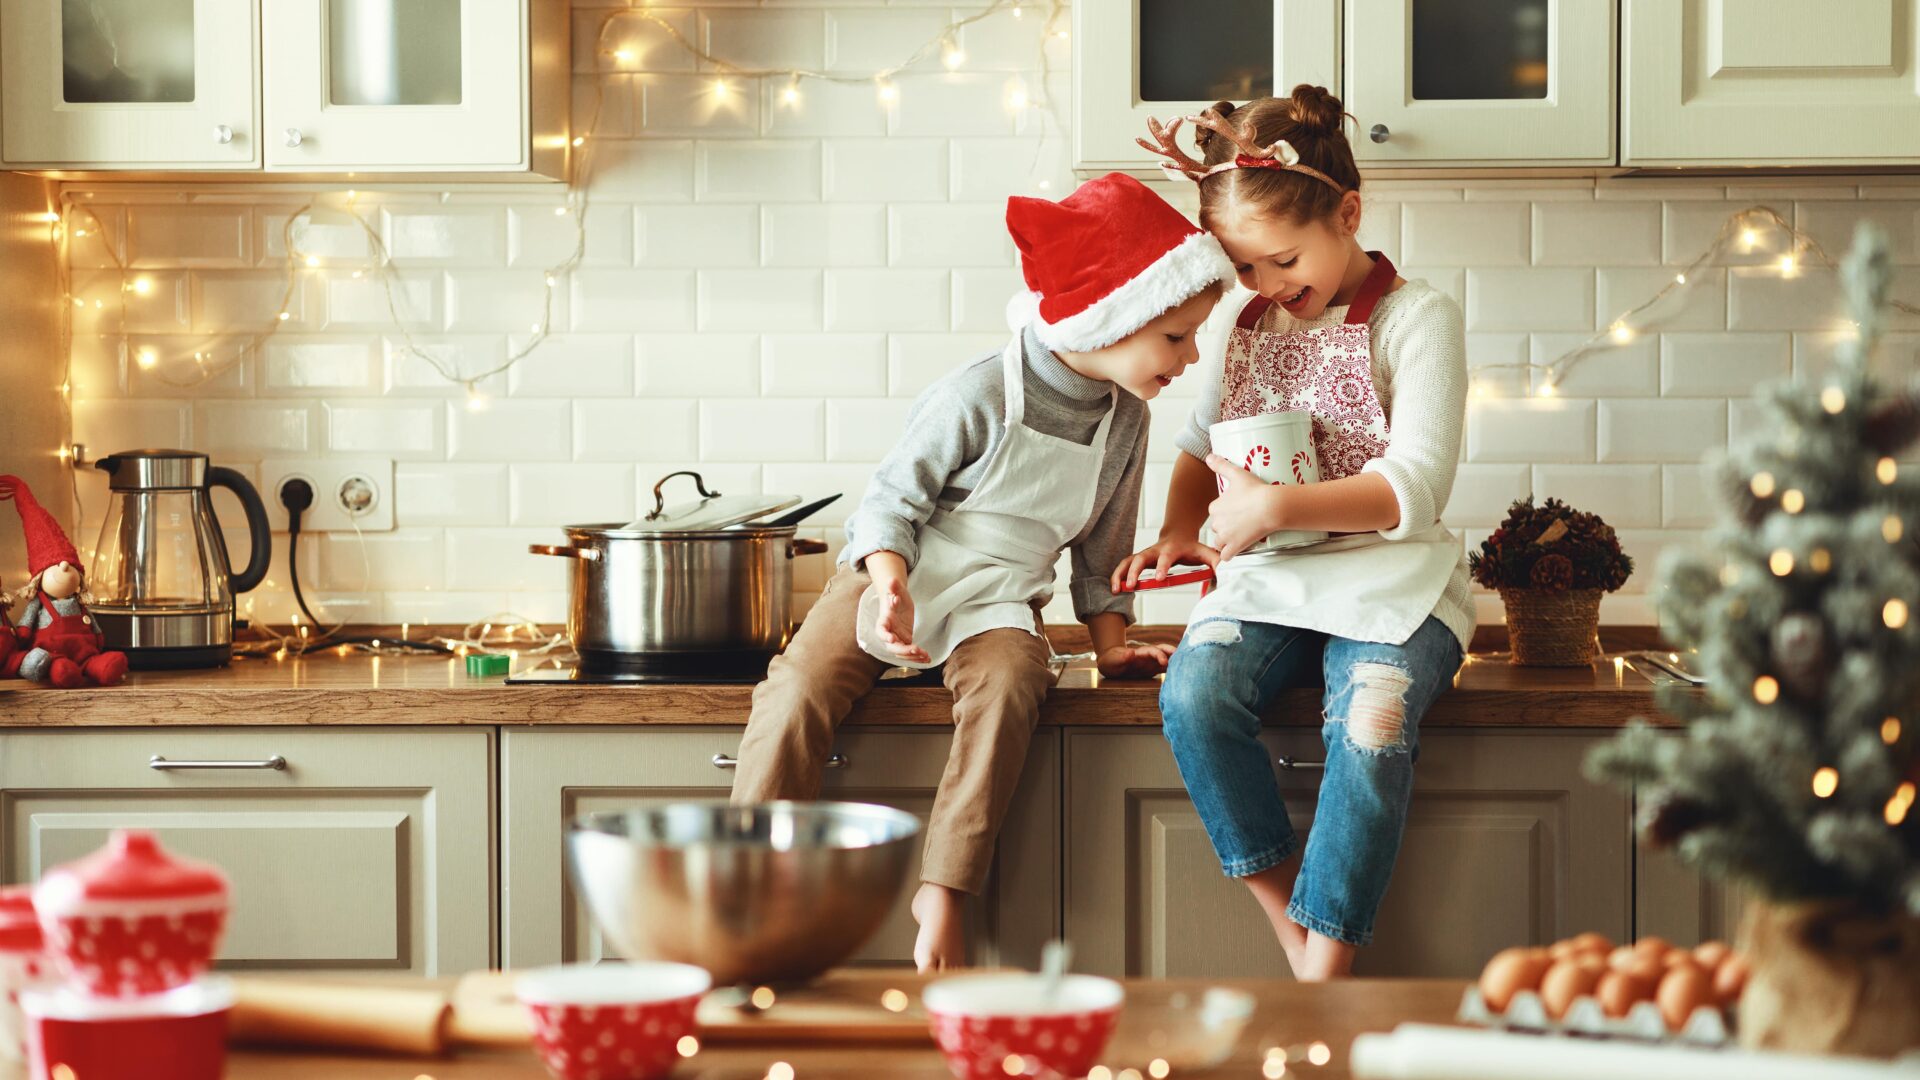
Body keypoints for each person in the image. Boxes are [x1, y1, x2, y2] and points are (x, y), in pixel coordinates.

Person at [730, 172, 1236, 972]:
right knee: (797, 690)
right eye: (1176, 336)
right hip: (895, 575)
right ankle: (749, 881)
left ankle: (944, 891)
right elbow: (891, 500)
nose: (1192, 355)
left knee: (1009, 687)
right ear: (1113, 317)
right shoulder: (975, 394)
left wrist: (1110, 646)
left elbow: (1103, 550)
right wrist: (890, 581)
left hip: (997, 603)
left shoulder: (1128, 421)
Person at [1119, 85, 1474, 981]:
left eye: (1281, 260)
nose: (1267, 287)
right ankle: (1298, 930)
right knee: (1196, 698)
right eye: (1244, 269)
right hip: (1274, 584)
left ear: (1347, 213)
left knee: (1373, 714)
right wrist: (1174, 529)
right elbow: (1201, 447)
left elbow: (1414, 487)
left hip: (1395, 580)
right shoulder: (1243, 322)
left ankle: (1327, 969)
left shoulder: (1418, 320)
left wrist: (1274, 507)